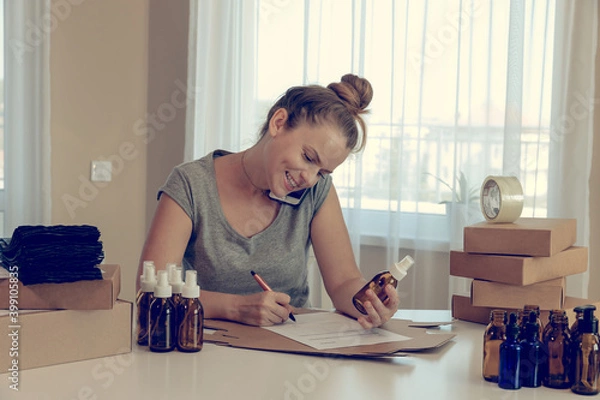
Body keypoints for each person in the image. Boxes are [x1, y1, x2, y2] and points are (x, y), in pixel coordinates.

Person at [137, 74, 400, 328]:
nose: (309, 179)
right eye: (308, 157)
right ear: (278, 122)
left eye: (322, 172)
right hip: (201, 347)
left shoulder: (317, 193)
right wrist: (237, 308)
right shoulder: (191, 184)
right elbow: (151, 291)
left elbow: (344, 282)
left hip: (290, 351)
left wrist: (369, 304)